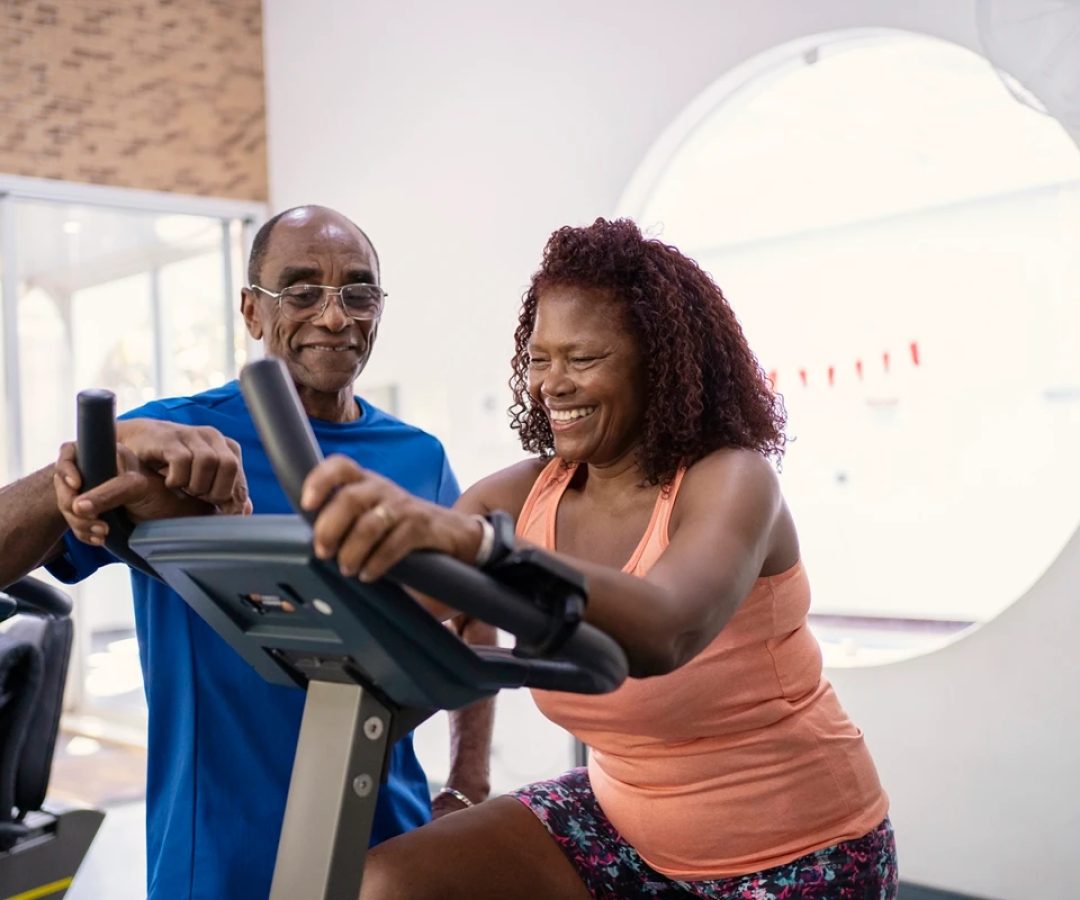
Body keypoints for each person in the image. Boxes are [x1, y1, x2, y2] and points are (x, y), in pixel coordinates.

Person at [295, 217, 899, 899]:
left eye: (581, 359)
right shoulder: (520, 496)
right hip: (625, 823)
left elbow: (667, 628)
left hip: (797, 850)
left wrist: (484, 549)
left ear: (659, 367)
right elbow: (378, 615)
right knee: (387, 884)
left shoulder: (732, 480)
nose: (552, 384)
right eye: (539, 359)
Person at [0, 205, 495, 899]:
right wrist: (92, 456)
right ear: (251, 311)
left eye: (358, 292)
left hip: (389, 842)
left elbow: (472, 612)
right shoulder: (171, 438)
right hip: (218, 858)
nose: (334, 316)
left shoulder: (419, 455)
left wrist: (469, 782)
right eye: (301, 291)